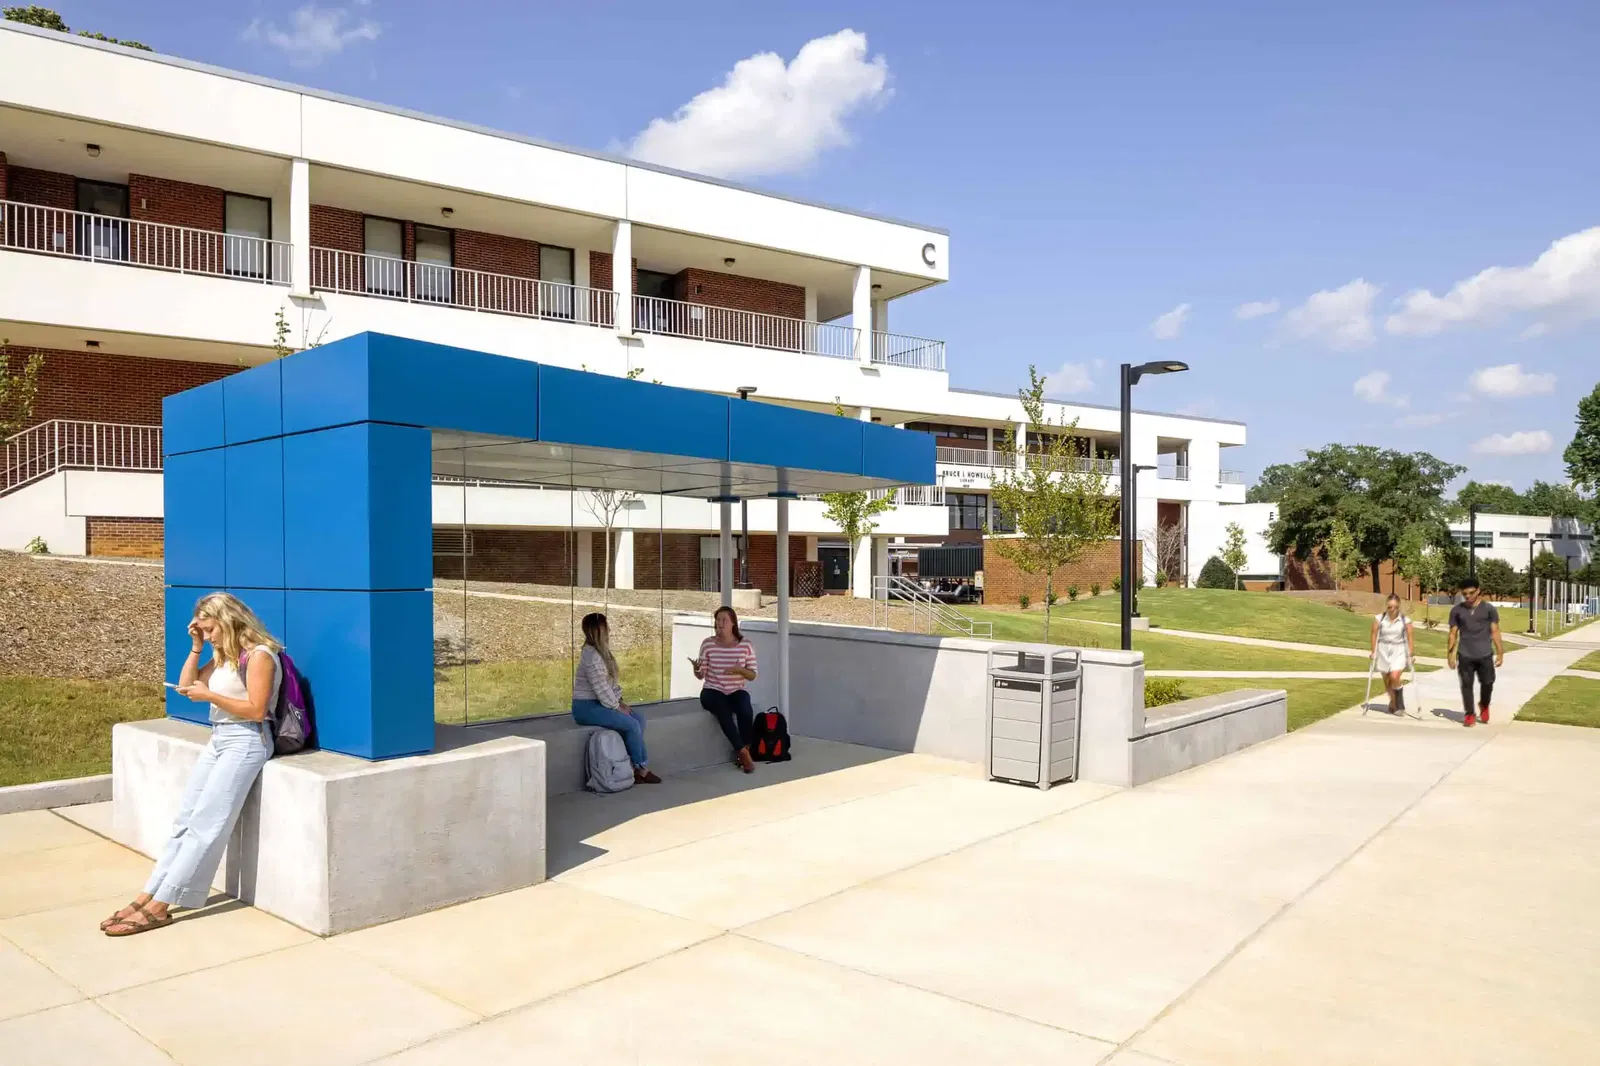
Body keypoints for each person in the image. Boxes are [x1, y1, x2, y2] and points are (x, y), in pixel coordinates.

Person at [100, 593, 281, 936]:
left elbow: (258, 710)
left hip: (246, 740)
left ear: (228, 621)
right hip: (220, 739)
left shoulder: (259, 656)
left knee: (206, 825)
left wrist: (210, 695)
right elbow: (185, 686)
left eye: (210, 629)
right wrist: (197, 647)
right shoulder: (223, 656)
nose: (209, 635)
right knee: (186, 821)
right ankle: (148, 894)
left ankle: (160, 905)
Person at [571, 613, 659, 784]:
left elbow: (610, 684)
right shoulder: (591, 656)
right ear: (598, 630)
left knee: (638, 719)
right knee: (631, 724)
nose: (609, 630)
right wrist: (616, 706)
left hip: (599, 703)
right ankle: (641, 768)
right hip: (586, 707)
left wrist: (620, 702)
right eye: (606, 627)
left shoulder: (601, 652)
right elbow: (601, 688)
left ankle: (630, 766)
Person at [693, 606, 759, 773]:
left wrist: (739, 670)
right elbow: (702, 675)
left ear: (733, 624)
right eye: (717, 620)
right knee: (723, 710)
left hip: (735, 690)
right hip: (712, 690)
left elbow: (752, 675)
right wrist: (697, 669)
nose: (720, 623)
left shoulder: (745, 645)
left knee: (745, 707)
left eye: (724, 620)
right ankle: (741, 751)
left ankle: (747, 748)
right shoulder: (708, 644)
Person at [1448, 576, 1504, 727]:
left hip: (1485, 654)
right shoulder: (1457, 611)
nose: (1468, 596)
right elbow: (1453, 633)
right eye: (1464, 593)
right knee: (1466, 685)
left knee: (1488, 683)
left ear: (1478, 591)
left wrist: (1500, 653)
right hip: (1465, 654)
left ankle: (1484, 705)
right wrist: (1450, 655)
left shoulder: (1489, 609)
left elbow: (1495, 631)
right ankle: (1469, 714)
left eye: (1471, 593)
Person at [1370, 593, 1415, 714]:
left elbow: (1410, 638)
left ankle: (1399, 705)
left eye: (1394, 607)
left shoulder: (1406, 620)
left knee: (1394, 676)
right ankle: (1393, 702)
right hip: (1383, 650)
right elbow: (1374, 634)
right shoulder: (1379, 618)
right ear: (1386, 606)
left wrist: (1411, 654)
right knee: (1387, 680)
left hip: (1399, 650)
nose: (1392, 609)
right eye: (1389, 607)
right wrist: (1373, 651)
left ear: (1398, 607)